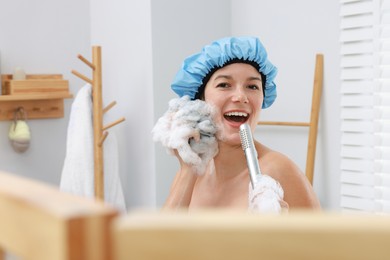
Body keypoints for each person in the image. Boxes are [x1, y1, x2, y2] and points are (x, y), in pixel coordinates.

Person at [160, 36, 320, 211]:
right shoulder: (191, 171)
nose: (241, 97)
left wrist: (279, 235)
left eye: (252, 87)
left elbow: (323, 239)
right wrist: (188, 171)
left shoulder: (279, 171)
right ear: (200, 99)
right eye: (224, 84)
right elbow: (160, 239)